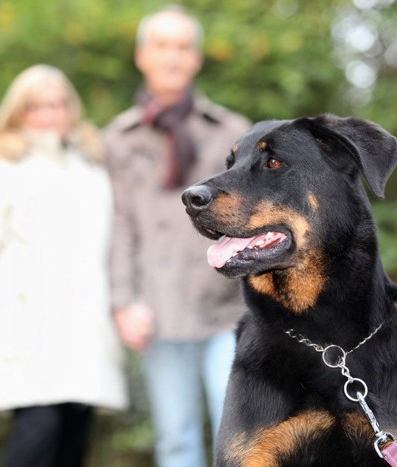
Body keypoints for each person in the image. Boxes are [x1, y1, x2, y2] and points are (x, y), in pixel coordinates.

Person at [0, 64, 127, 467]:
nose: (49, 115)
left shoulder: (91, 165)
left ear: (71, 108)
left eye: (57, 104)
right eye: (36, 107)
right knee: (38, 433)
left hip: (84, 331)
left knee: (72, 442)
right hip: (26, 330)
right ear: (18, 112)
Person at [103, 6, 252, 467]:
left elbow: (256, 218)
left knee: (241, 435)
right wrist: (123, 301)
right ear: (142, 55)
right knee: (175, 440)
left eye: (183, 47)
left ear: (197, 59)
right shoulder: (118, 139)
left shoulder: (231, 131)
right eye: (162, 46)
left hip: (228, 308)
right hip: (159, 312)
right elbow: (119, 226)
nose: (173, 56)